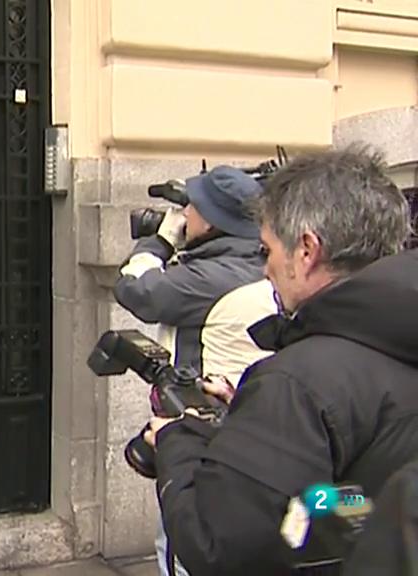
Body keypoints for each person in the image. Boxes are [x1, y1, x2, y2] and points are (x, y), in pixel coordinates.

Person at [144, 144, 418, 576]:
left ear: (306, 250)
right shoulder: (394, 342)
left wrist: (176, 441)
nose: (265, 269)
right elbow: (354, 490)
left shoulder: (296, 383)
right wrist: (252, 423)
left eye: (267, 251)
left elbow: (217, 546)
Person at [114, 166, 279, 575]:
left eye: (192, 207)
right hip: (249, 433)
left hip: (202, 436)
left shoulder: (211, 278)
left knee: (181, 543)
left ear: (214, 220)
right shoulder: (259, 261)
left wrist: (160, 240)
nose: (184, 213)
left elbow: (135, 289)